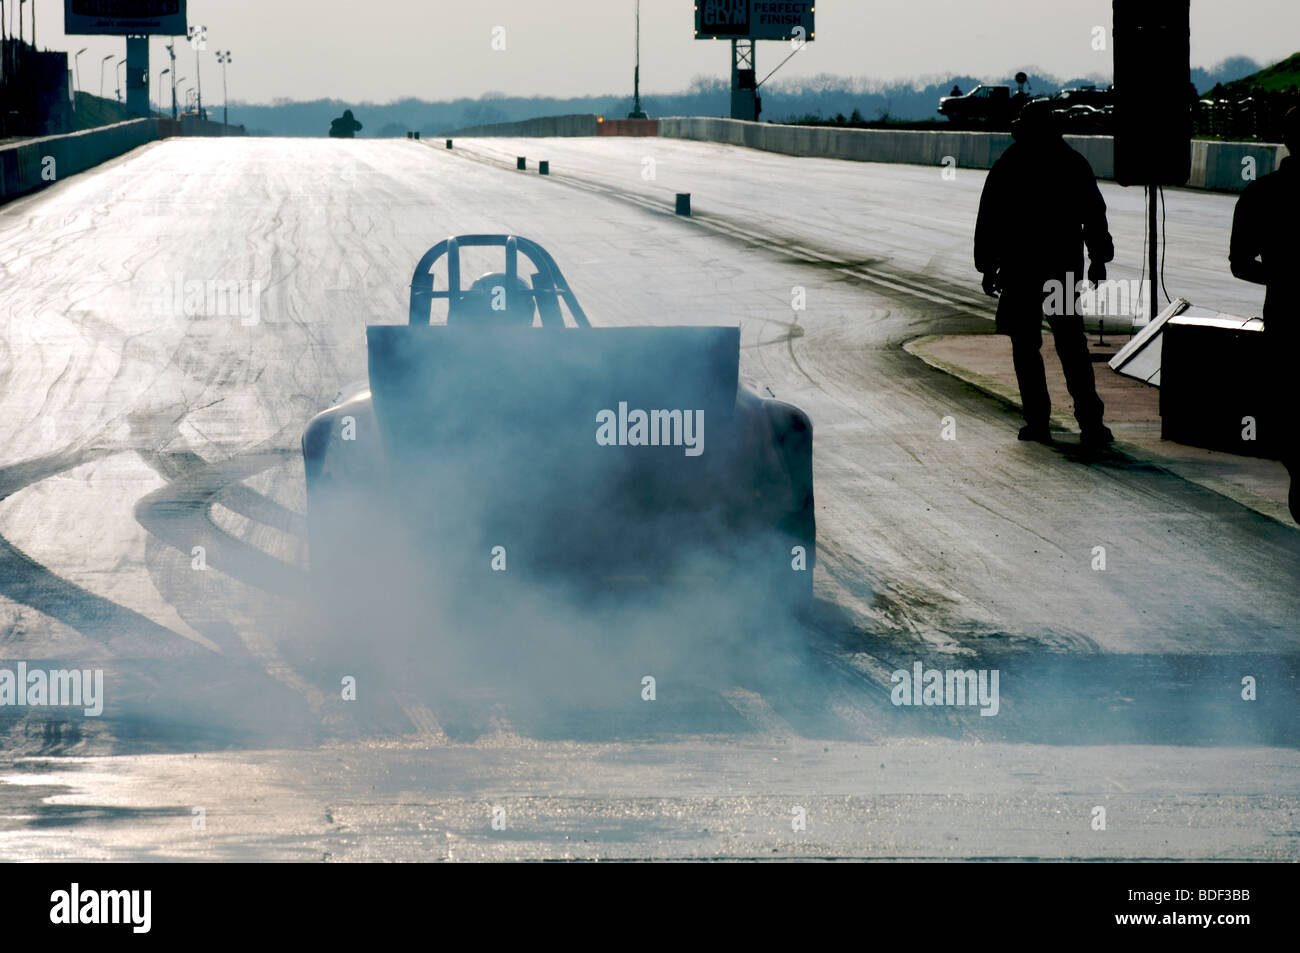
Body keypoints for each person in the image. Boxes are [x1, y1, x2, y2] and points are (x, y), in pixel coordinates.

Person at [975, 98, 1115, 448]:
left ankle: (1038, 422)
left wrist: (987, 266)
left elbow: (990, 218)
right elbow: (1094, 215)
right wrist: (1098, 258)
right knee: (1071, 345)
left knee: (1025, 348)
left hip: (1020, 272)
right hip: (1061, 269)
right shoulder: (1071, 162)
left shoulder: (1010, 163)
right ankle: (1091, 423)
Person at [1229, 106, 1299, 521]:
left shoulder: (1261, 193)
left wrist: (1285, 276)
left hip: (1286, 314)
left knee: (1286, 404)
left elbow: (1240, 263)